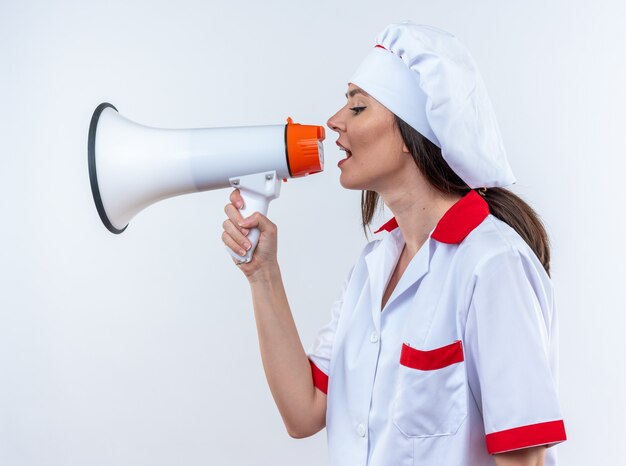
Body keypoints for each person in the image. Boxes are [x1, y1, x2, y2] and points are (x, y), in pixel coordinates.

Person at [221, 21, 566, 466]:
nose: (334, 122)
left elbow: (524, 458)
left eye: (358, 107)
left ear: (410, 134)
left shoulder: (492, 264)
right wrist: (261, 273)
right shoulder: (374, 267)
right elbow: (303, 410)